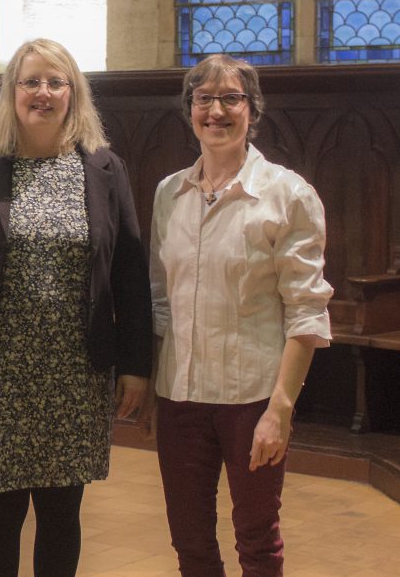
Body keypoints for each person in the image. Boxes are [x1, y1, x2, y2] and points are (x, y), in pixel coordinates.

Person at [0, 38, 153, 577]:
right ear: (11, 92)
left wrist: (136, 365)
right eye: (31, 82)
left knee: (61, 512)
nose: (43, 93)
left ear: (75, 94)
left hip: (76, 371)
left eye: (56, 82)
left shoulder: (103, 168)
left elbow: (129, 271)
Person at [146, 54, 334, 576]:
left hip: (252, 400)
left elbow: (306, 312)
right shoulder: (169, 193)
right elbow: (161, 299)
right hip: (180, 397)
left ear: (252, 110)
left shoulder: (287, 194)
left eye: (231, 98)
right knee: (189, 540)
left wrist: (281, 410)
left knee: (256, 538)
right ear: (189, 111)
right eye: (204, 99)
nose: (216, 110)